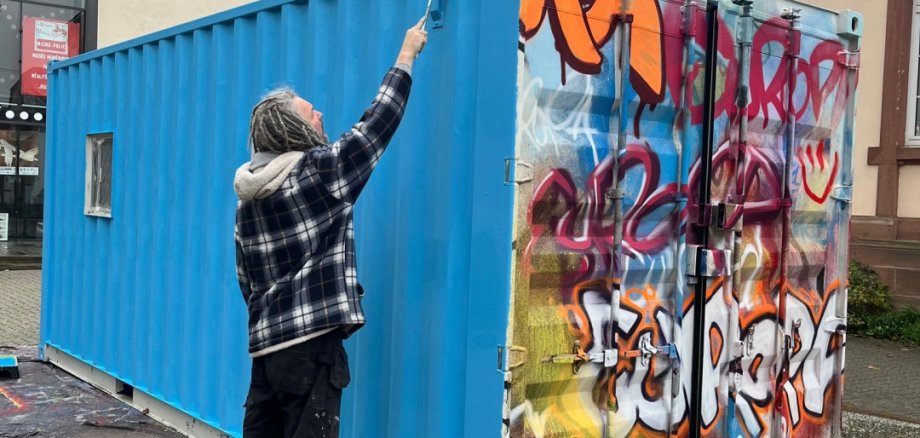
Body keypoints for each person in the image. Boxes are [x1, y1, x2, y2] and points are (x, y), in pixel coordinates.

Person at [233, 19, 427, 438]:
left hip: (267, 351)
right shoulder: (319, 173)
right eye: (310, 112)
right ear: (292, 130)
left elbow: (246, 281)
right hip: (311, 348)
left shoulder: (247, 199)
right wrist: (406, 55)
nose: (320, 114)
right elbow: (376, 125)